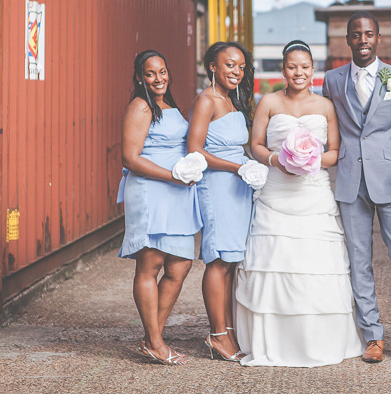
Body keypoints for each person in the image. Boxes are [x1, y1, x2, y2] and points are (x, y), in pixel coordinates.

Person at [235, 40, 364, 367]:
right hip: (277, 191)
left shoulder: (325, 106)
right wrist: (277, 159)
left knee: (316, 262)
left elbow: (335, 152)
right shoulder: (268, 101)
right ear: (283, 70)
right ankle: (272, 341)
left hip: (313, 193)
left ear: (313, 69)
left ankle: (319, 339)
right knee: (274, 260)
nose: (299, 72)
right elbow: (256, 145)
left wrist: (312, 161)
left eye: (304, 67)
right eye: (292, 67)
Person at [322, 11, 391, 364]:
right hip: (350, 181)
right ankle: (372, 336)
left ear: (378, 39)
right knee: (358, 260)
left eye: (368, 34)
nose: (362, 40)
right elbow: (326, 130)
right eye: (356, 34)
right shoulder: (332, 80)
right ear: (348, 40)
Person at [118, 50, 201, 365]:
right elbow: (130, 158)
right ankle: (155, 341)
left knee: (179, 266)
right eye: (150, 73)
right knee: (150, 267)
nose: (158, 78)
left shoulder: (170, 106)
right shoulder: (140, 107)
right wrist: (173, 176)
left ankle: (152, 337)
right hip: (153, 192)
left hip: (178, 193)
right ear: (140, 77)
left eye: (162, 71)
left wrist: (190, 170)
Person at [187, 41, 254, 362]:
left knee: (231, 260)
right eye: (230, 65)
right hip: (217, 185)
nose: (236, 72)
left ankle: (226, 329)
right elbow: (195, 150)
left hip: (238, 188)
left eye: (241, 66)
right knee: (218, 259)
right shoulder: (206, 100)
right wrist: (238, 166)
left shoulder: (231, 99)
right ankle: (217, 335)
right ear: (212, 66)